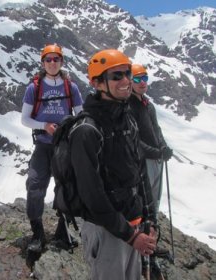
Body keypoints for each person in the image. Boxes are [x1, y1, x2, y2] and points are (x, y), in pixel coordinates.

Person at [70, 49, 157, 280]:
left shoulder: (127, 118)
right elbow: (92, 195)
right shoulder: (86, 130)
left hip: (133, 223)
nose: (126, 81)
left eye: (127, 73)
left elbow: (139, 172)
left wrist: (149, 219)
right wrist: (130, 236)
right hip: (107, 230)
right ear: (97, 83)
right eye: (116, 76)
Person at [21, 44, 83, 252]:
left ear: (62, 62)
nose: (52, 63)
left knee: (65, 187)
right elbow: (25, 119)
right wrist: (44, 126)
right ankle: (37, 234)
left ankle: (62, 231)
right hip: (43, 145)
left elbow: (81, 115)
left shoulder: (70, 87)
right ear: (43, 62)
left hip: (64, 146)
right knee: (35, 185)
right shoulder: (35, 88)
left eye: (56, 59)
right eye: (48, 59)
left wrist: (68, 127)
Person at [128, 64, 173, 279]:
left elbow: (156, 130)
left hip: (155, 160)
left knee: (153, 204)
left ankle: (152, 245)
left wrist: (162, 147)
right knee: (147, 205)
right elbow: (135, 142)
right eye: (137, 79)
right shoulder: (129, 106)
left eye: (144, 78)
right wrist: (158, 152)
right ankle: (148, 250)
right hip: (144, 162)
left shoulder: (147, 105)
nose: (142, 82)